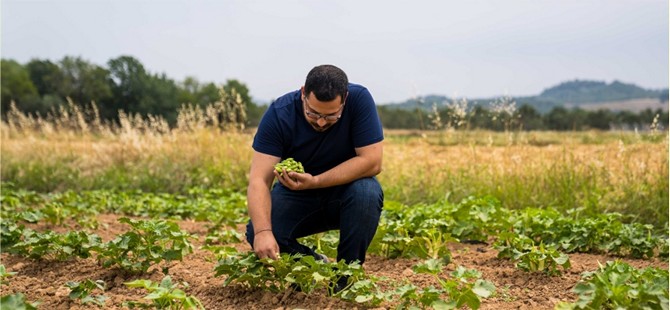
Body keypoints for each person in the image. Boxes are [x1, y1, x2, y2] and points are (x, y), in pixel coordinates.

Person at [245, 64, 384, 271]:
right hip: (297, 193)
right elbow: (259, 180)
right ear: (303, 93)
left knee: (367, 192)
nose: (320, 122)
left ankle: (347, 273)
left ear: (344, 99)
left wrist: (317, 181)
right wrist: (263, 232)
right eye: (312, 113)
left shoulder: (360, 99)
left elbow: (372, 161)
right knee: (257, 230)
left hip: (346, 190)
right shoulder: (279, 114)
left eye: (331, 116)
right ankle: (315, 265)